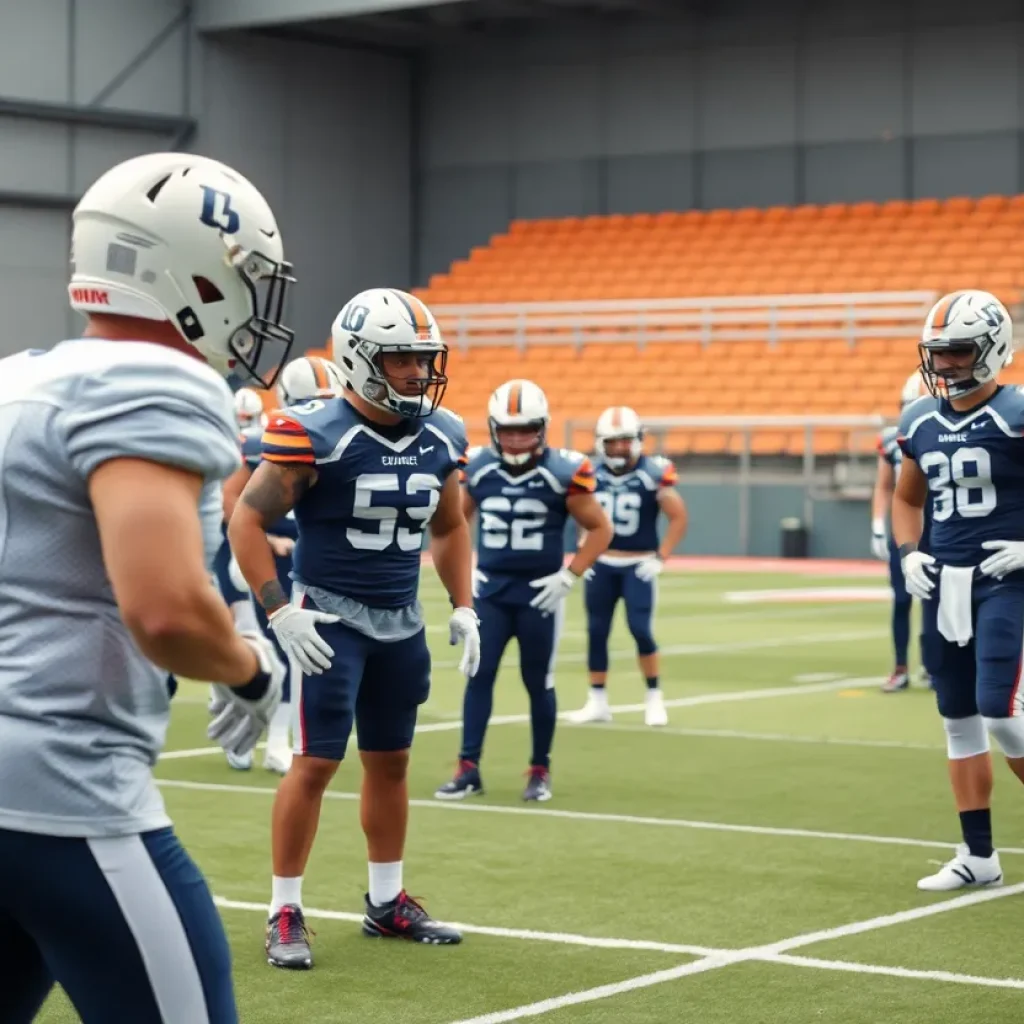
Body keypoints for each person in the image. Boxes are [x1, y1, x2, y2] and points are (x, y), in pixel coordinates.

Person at [0, 151, 290, 1022]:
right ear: (194, 271)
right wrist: (250, 670)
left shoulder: (19, 375)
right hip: (65, 790)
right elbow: (163, 610)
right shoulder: (153, 377)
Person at [229, 288, 479, 970]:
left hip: (402, 621)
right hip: (330, 619)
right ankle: (284, 908)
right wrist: (280, 608)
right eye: (400, 358)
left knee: (392, 761)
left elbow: (450, 524)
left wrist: (463, 602)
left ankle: (386, 901)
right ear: (360, 358)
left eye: (422, 359)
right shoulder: (314, 431)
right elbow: (245, 522)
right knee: (314, 763)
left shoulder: (444, 433)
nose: (415, 372)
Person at [893, 288, 1024, 891]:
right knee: (959, 718)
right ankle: (979, 856)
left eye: (958, 351)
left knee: (1001, 711)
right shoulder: (918, 419)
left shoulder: (1016, 414)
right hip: (946, 584)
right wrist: (907, 551)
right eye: (937, 353)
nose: (944, 365)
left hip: (1009, 582)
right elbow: (906, 497)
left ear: (994, 349)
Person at [435, 379, 613, 803]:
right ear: (495, 429)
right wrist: (465, 583)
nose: (516, 439)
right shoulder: (477, 467)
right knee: (478, 677)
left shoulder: (564, 470)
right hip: (491, 592)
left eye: (526, 429)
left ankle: (539, 770)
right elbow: (452, 527)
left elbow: (601, 529)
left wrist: (570, 575)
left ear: (543, 428)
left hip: (539, 594)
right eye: (508, 429)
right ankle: (468, 769)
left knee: (539, 682)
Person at [220, 356, 345, 774]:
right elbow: (232, 501)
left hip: (311, 564)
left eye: (327, 403)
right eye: (311, 403)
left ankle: (277, 739)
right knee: (273, 651)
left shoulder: (346, 443)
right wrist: (266, 538)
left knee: (296, 657)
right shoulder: (261, 442)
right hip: (269, 561)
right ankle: (247, 727)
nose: (320, 414)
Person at [569, 405, 688, 726]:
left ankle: (654, 697)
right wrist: (584, 550)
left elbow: (678, 516)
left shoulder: (653, 473)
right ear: (601, 443)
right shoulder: (589, 473)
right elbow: (582, 515)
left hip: (638, 565)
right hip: (602, 564)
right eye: (613, 441)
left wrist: (660, 557)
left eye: (625, 440)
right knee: (596, 632)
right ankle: (597, 701)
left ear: (638, 440)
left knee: (640, 630)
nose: (620, 447)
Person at [872, 371, 933, 692]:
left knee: (936, 599)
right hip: (904, 525)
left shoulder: (941, 431)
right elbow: (884, 487)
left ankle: (933, 664)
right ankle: (900, 666)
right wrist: (878, 527)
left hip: (937, 524)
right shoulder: (891, 439)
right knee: (901, 599)